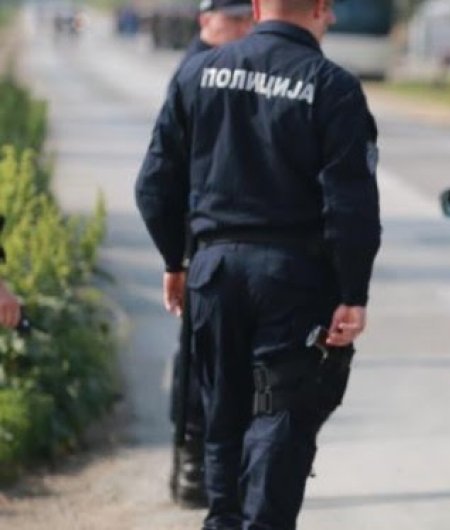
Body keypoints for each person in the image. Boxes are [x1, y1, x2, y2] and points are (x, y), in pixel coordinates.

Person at [135, 0, 381, 528]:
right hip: (293, 278)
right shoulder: (332, 86)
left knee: (222, 411)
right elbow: (351, 205)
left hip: (213, 272)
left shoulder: (198, 72)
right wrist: (353, 293)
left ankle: (224, 518)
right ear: (319, 9)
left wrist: (175, 260)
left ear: (255, 7)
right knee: (280, 413)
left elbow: (154, 184)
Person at [167, 0, 254, 510]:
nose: (242, 27)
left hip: (218, 241)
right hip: (201, 240)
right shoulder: (197, 71)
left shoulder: (239, 67)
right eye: (232, 19)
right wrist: (175, 257)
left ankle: (204, 465)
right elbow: (170, 173)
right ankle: (191, 461)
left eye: (247, 18)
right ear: (206, 21)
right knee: (198, 358)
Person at [181, 0, 255, 65]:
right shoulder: (195, 67)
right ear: (205, 20)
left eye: (249, 19)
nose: (245, 28)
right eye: (235, 19)